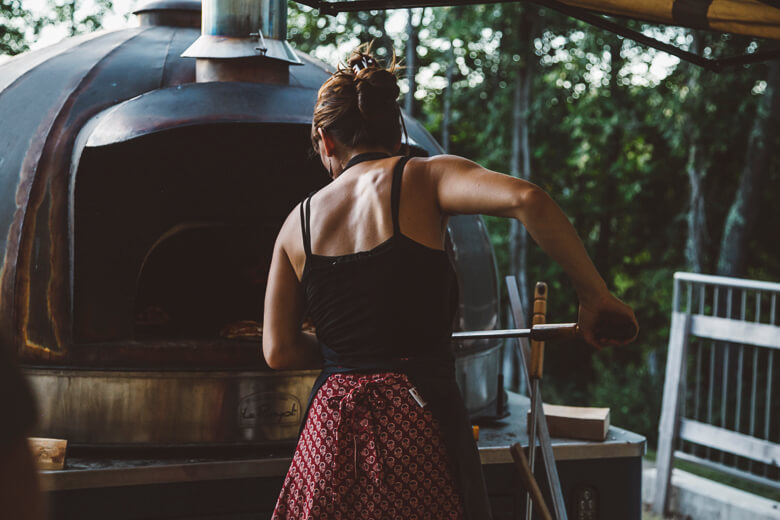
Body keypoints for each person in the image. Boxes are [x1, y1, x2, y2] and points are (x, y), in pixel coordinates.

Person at [263, 45, 638, 520]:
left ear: (326, 140)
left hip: (329, 431)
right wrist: (594, 295)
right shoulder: (425, 178)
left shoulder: (295, 224)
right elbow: (528, 199)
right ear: (395, 131)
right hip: (416, 422)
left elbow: (277, 351)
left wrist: (345, 351)